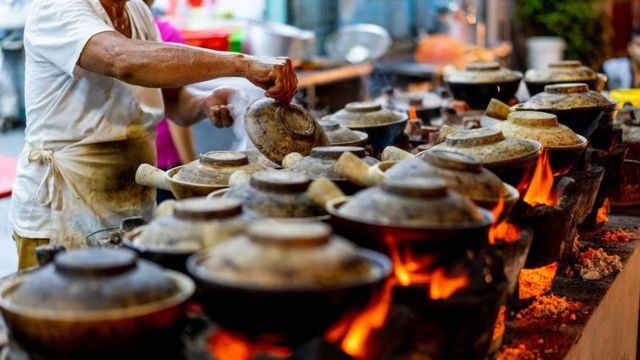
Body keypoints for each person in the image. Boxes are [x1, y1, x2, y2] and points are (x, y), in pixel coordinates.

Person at [10, 0, 297, 269]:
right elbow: (120, 59)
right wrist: (241, 63)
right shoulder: (56, 7)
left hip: (131, 199)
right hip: (62, 204)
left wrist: (204, 101)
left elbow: (172, 101)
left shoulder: (137, 12)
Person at [144, 0, 197, 203]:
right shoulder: (167, 35)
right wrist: (190, 167)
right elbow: (175, 112)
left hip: (146, 160)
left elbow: (173, 100)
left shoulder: (164, 34)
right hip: (164, 162)